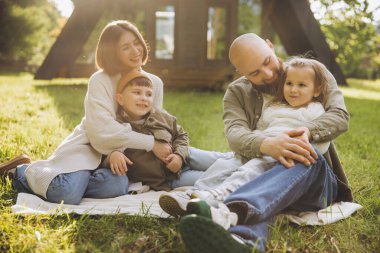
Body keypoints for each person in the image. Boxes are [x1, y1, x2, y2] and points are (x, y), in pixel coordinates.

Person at [0, 20, 232, 205]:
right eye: (125, 47)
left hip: (131, 156)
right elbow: (100, 131)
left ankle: (246, 165)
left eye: (136, 42)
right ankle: (22, 171)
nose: (136, 51)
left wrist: (171, 152)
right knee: (68, 194)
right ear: (112, 52)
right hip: (91, 147)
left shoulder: (153, 82)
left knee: (116, 186)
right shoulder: (100, 80)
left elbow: (155, 124)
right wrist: (144, 146)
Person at [162, 33, 352, 253]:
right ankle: (243, 241)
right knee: (259, 184)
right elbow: (234, 133)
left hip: (312, 180)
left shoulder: (309, 71)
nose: (268, 74)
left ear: (270, 46)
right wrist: (267, 144)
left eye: (267, 62)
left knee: (300, 154)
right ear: (241, 73)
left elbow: (340, 116)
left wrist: (306, 132)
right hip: (265, 183)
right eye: (255, 73)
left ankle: (224, 205)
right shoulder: (237, 92)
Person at [189, 57, 332, 206]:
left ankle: (222, 193)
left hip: (287, 153)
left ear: (316, 90)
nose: (293, 89)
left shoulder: (315, 110)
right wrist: (262, 144)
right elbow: (260, 128)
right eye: (289, 84)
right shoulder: (274, 107)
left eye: (301, 85)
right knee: (225, 165)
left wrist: (306, 148)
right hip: (265, 147)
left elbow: (322, 142)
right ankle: (197, 192)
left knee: (250, 170)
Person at [105, 69, 189, 191]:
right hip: (172, 178)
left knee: (218, 161)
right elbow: (104, 148)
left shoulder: (160, 116)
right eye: (137, 92)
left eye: (149, 94)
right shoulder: (117, 125)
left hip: (185, 158)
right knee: (210, 177)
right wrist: (112, 154)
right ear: (120, 99)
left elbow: (181, 135)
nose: (144, 98)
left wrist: (179, 156)